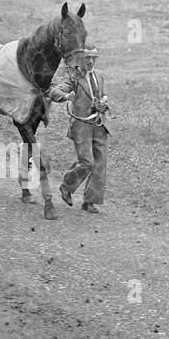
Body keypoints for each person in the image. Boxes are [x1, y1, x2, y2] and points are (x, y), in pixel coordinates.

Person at [49, 46, 110, 214]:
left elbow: (102, 97)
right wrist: (67, 96)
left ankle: (89, 201)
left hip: (98, 124)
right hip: (81, 126)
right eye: (87, 57)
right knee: (87, 162)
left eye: (94, 57)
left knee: (100, 164)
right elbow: (55, 91)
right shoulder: (74, 76)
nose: (90, 61)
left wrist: (103, 104)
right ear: (81, 58)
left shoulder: (100, 76)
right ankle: (66, 186)